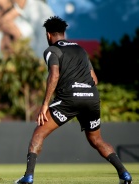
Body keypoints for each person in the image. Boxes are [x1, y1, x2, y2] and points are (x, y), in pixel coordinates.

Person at [15, 16, 132, 184]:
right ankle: (124, 174)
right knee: (97, 140)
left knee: (39, 133)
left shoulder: (51, 51)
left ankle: (28, 176)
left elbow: (54, 75)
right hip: (91, 98)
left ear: (48, 35)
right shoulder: (80, 50)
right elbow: (95, 80)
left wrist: (45, 104)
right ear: (64, 32)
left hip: (69, 99)